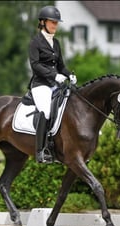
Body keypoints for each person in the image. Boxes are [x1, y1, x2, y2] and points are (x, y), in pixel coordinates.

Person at [28, 5, 77, 163]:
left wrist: (69, 74)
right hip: (40, 84)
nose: (55, 25)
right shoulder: (35, 42)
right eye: (52, 22)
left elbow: (61, 65)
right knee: (46, 111)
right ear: (42, 22)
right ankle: (41, 151)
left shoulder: (55, 43)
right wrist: (54, 75)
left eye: (56, 23)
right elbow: (35, 65)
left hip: (55, 84)